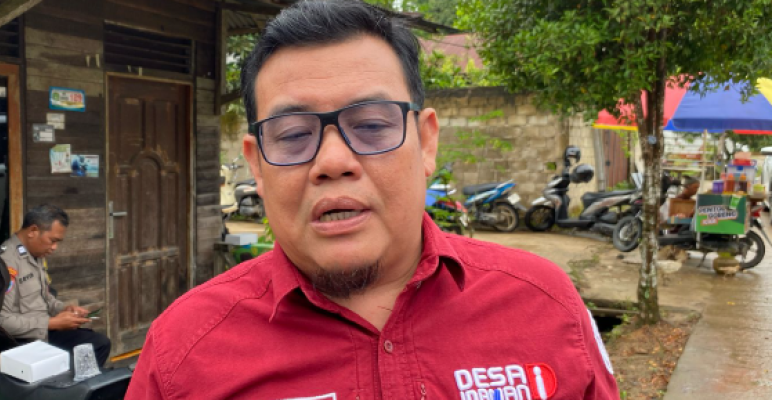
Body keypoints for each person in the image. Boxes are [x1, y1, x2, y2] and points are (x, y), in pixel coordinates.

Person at [127, 1, 619, 398]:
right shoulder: (183, 354)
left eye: (370, 125)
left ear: (426, 142)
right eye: (294, 134)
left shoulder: (544, 305)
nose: (333, 161)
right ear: (256, 165)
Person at [0, 204, 111, 367]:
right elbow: (1, 322)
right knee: (78, 358)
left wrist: (63, 309)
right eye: (53, 241)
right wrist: (52, 323)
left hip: (45, 334)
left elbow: (45, 298)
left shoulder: (35, 254)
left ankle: (74, 381)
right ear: (33, 231)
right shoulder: (5, 263)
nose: (54, 247)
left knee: (98, 344)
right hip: (21, 343)